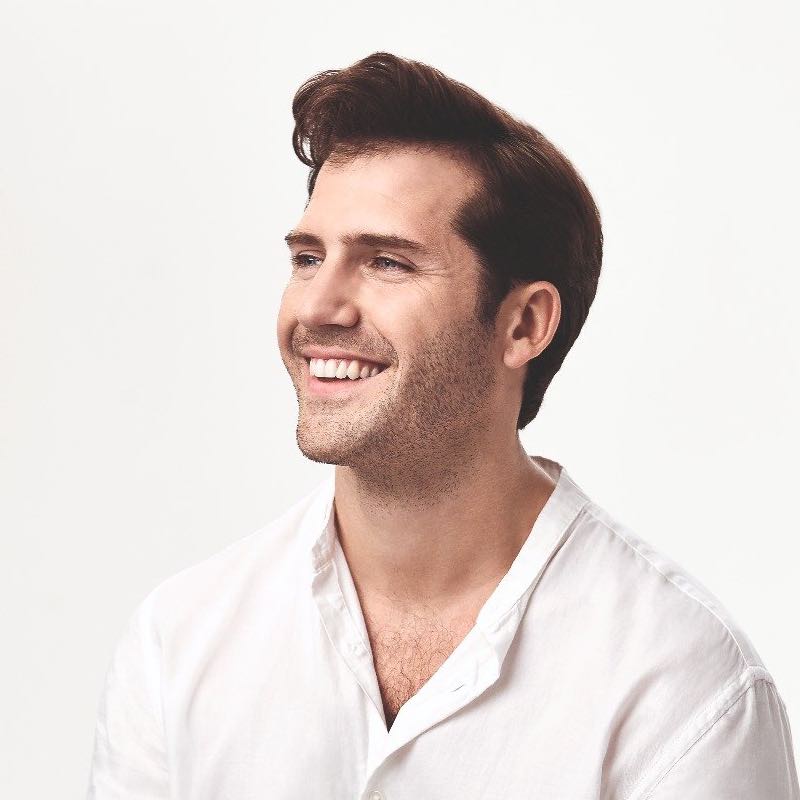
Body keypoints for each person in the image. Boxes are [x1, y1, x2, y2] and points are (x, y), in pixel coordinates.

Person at [87, 52, 799, 799]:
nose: (318, 308)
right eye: (308, 257)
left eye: (387, 263)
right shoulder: (177, 645)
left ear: (523, 324)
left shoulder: (683, 691)